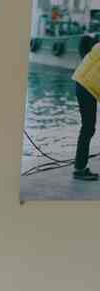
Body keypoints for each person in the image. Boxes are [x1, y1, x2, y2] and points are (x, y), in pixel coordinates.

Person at [72, 35, 100, 181]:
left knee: (88, 128)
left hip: (85, 86)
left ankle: (80, 166)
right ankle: (79, 169)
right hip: (85, 87)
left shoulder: (97, 48)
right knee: (88, 128)